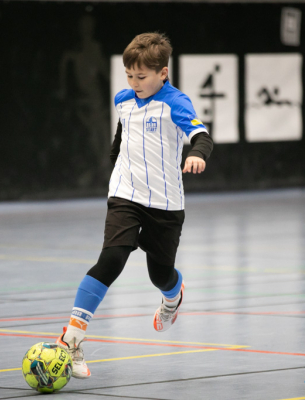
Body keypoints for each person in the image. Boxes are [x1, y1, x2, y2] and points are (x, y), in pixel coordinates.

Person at [56, 32, 213, 379]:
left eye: (141, 76)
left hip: (165, 203)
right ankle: (71, 339)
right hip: (125, 195)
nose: (134, 83)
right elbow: (121, 139)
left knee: (160, 274)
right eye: (129, 75)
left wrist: (198, 155)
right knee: (111, 259)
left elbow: (201, 136)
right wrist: (117, 172)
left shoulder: (176, 103)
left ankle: (173, 296)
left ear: (163, 73)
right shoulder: (124, 100)